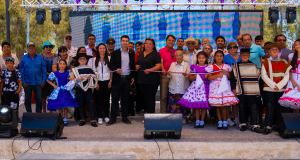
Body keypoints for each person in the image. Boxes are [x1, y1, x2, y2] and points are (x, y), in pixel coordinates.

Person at [261, 42, 291, 134]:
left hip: (280, 89)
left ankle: (278, 125)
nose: (274, 51)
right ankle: (268, 125)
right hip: (269, 88)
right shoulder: (265, 62)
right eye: (272, 49)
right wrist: (274, 85)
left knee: (279, 107)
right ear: (269, 51)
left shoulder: (284, 62)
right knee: (269, 106)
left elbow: (287, 76)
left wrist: (279, 86)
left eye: (276, 49)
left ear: (279, 51)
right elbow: (263, 75)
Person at [231, 48, 262, 133]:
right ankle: (243, 123)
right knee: (242, 107)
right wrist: (234, 88)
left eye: (246, 55)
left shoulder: (254, 65)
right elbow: (233, 79)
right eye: (243, 55)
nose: (245, 56)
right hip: (241, 89)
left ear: (249, 56)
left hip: (252, 89)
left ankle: (254, 124)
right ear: (240, 56)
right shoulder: (235, 66)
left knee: (253, 107)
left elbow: (258, 77)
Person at [205, 50, 239, 130]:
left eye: (221, 56)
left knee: (223, 105)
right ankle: (220, 121)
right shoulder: (211, 67)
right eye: (217, 56)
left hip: (225, 87)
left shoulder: (227, 67)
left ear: (223, 57)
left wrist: (227, 73)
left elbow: (231, 77)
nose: (219, 57)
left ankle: (225, 121)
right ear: (214, 57)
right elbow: (208, 77)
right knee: (218, 105)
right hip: (215, 87)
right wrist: (218, 75)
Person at [107, 35, 135, 125]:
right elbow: (110, 65)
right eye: (123, 41)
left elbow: (132, 67)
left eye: (126, 41)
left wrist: (132, 77)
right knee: (115, 99)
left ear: (128, 42)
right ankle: (113, 118)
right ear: (120, 42)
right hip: (117, 79)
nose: (125, 42)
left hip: (127, 79)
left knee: (125, 99)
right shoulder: (115, 53)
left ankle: (125, 117)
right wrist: (116, 69)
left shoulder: (131, 53)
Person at [178, 52, 211, 128]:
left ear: (206, 58)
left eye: (203, 58)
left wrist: (206, 76)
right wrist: (195, 76)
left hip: (205, 87)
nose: (201, 59)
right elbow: (190, 78)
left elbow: (210, 76)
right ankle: (197, 120)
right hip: (196, 87)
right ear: (197, 58)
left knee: (203, 105)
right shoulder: (194, 67)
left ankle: (202, 121)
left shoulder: (208, 67)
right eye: (199, 58)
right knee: (197, 105)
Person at [46, 59, 79, 125]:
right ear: (58, 65)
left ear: (66, 65)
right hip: (58, 91)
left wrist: (72, 77)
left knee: (65, 105)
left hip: (66, 90)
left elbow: (73, 77)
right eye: (60, 64)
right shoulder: (55, 73)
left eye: (63, 64)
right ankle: (61, 118)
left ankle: (65, 118)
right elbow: (48, 80)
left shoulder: (68, 72)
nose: (62, 65)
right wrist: (54, 85)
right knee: (60, 105)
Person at [72, 51, 98, 127]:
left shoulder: (90, 69)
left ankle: (93, 119)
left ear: (86, 60)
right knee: (80, 103)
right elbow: (72, 79)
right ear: (78, 60)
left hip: (88, 89)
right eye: (80, 59)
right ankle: (82, 119)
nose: (82, 60)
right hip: (79, 88)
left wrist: (91, 77)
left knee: (91, 102)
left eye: (84, 59)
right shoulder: (75, 69)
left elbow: (94, 77)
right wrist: (77, 80)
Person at [19, 42, 47, 113]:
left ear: (35, 49)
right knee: (27, 99)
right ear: (27, 49)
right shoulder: (24, 58)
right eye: (30, 48)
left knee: (39, 99)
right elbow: (21, 70)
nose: (31, 49)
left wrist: (44, 81)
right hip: (27, 82)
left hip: (38, 82)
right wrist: (23, 81)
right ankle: (29, 114)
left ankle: (38, 114)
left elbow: (44, 69)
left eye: (33, 47)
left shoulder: (40, 57)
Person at [136, 38, 161, 114]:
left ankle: (150, 115)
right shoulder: (141, 53)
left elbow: (159, 66)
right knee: (145, 98)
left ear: (153, 46)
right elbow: (138, 64)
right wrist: (136, 66)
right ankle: (148, 113)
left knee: (150, 98)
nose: (147, 45)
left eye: (150, 43)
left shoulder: (156, 54)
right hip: (142, 79)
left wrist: (150, 70)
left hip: (152, 80)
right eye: (146, 43)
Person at [166, 50, 190, 124]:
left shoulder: (186, 64)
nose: (178, 57)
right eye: (177, 55)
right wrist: (168, 73)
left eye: (180, 55)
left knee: (182, 104)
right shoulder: (172, 64)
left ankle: (183, 117)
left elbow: (189, 75)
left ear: (182, 57)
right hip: (174, 87)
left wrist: (186, 74)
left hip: (183, 88)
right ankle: (174, 117)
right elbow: (168, 75)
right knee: (173, 103)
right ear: (175, 57)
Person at [92, 43, 112, 124]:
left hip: (107, 81)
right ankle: (100, 116)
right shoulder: (94, 59)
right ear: (98, 49)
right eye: (100, 48)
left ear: (106, 49)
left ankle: (106, 116)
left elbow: (111, 71)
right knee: (99, 100)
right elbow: (93, 72)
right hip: (98, 82)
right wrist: (96, 83)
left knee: (107, 100)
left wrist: (111, 81)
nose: (102, 50)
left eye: (104, 48)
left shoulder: (110, 58)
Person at [279, 39, 300, 113]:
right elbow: (288, 70)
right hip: (293, 80)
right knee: (295, 104)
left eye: (299, 44)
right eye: (296, 44)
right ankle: (296, 123)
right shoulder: (291, 56)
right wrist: (292, 81)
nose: (297, 46)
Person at [223, 42, 240, 126]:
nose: (232, 48)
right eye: (230, 47)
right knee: (229, 101)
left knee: (236, 101)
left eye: (234, 47)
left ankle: (236, 118)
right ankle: (228, 118)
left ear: (237, 48)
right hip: (229, 81)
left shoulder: (240, 57)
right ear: (228, 49)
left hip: (239, 81)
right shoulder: (225, 57)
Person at [159, 35, 177, 113]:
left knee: (173, 95)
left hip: (174, 77)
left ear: (174, 42)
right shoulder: (162, 50)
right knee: (164, 96)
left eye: (173, 40)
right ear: (166, 41)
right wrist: (163, 69)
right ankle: (163, 113)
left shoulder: (176, 52)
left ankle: (172, 113)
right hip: (164, 76)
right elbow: (161, 61)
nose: (171, 42)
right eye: (169, 40)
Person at [134, 41, 145, 113]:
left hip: (145, 75)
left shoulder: (145, 54)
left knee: (144, 92)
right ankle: (138, 107)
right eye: (137, 46)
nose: (138, 47)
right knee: (138, 92)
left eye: (140, 46)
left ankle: (144, 107)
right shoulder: (135, 54)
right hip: (137, 75)